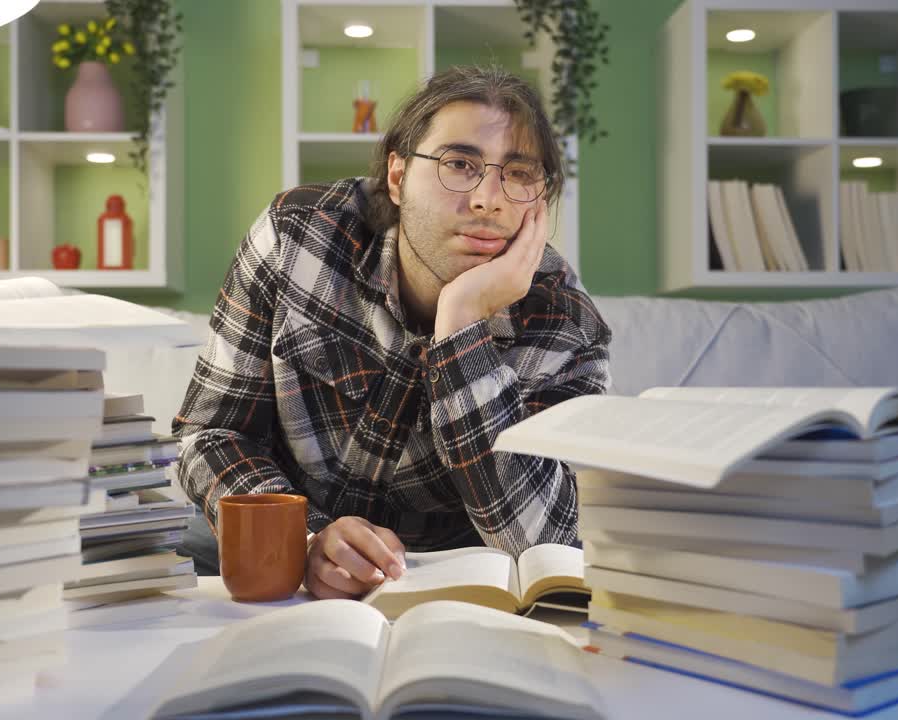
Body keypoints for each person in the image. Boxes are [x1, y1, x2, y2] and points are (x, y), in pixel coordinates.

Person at [172, 65, 611, 600]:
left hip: (453, 577)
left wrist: (463, 324)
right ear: (398, 177)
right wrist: (301, 540)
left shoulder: (566, 322)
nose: (488, 200)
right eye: (459, 163)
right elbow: (211, 433)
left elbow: (550, 543)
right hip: (284, 537)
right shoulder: (299, 238)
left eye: (518, 175)